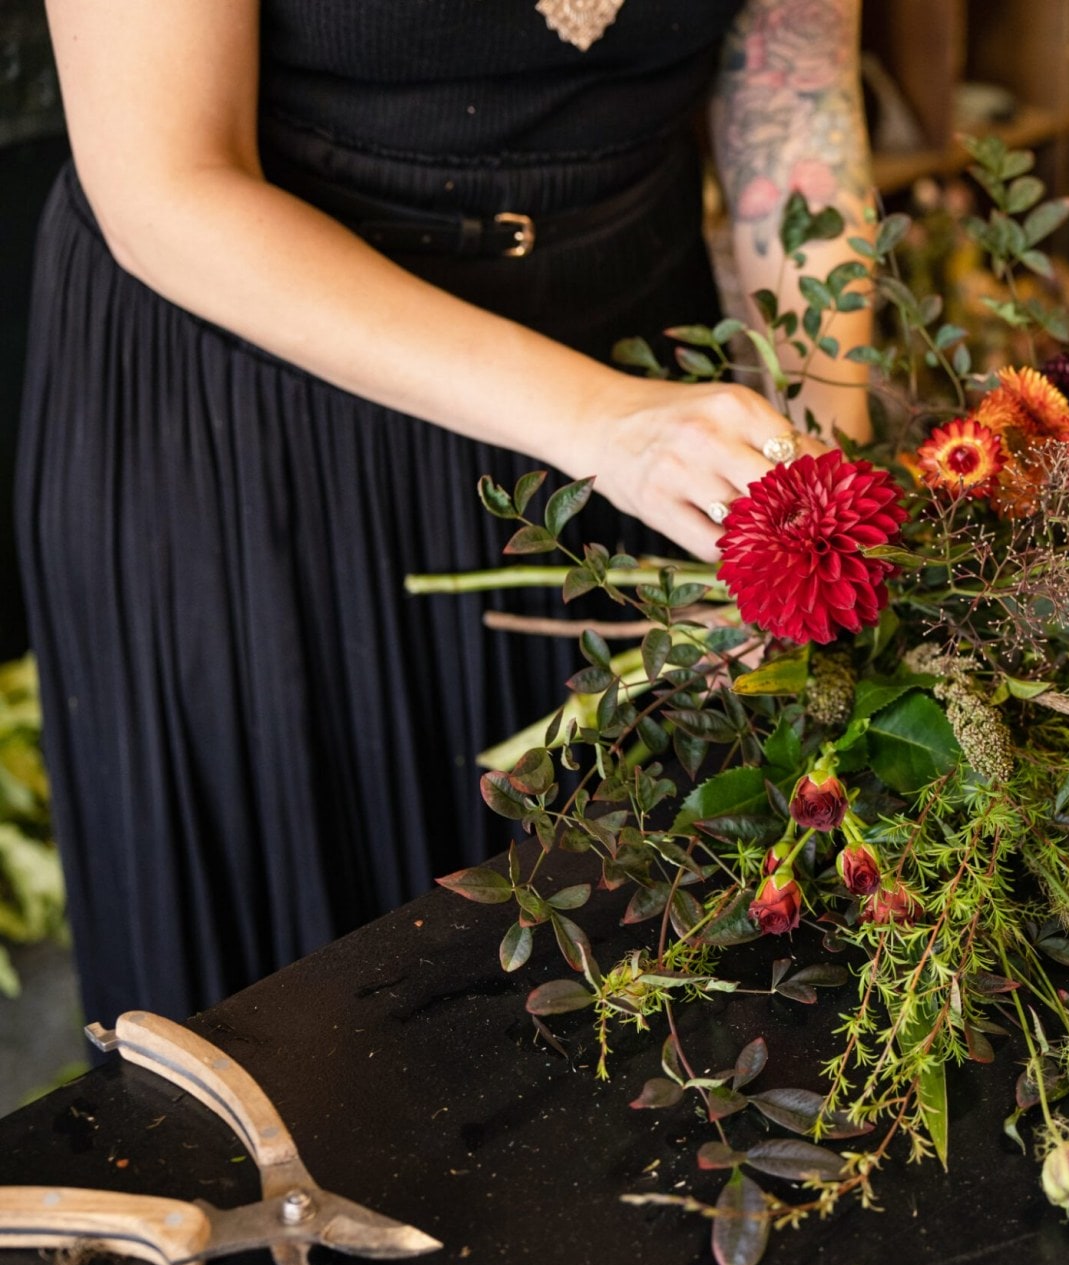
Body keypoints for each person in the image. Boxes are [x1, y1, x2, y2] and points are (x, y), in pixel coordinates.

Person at [16, 0, 875, 1024]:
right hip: (261, 427)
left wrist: (826, 482)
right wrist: (601, 426)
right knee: (305, 1017)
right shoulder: (612, 432)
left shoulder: (654, 435)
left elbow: (796, 90)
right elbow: (161, 187)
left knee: (621, 962)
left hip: (643, 387)